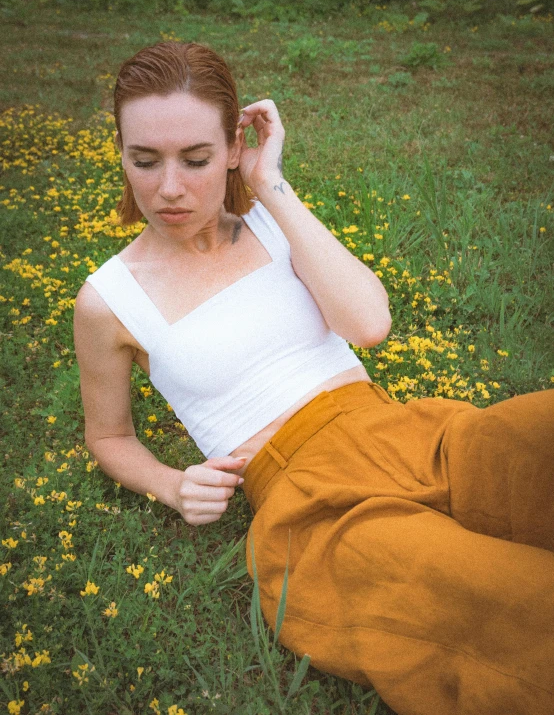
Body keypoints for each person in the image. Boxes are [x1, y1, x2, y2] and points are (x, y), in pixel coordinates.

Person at [73, 41, 554, 715]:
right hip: (313, 506)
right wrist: (174, 485)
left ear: (235, 147)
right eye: (144, 161)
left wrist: (271, 185)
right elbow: (109, 437)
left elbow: (367, 324)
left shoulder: (273, 224)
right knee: (503, 597)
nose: (170, 188)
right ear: (121, 153)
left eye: (197, 158)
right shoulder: (110, 299)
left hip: (400, 429)